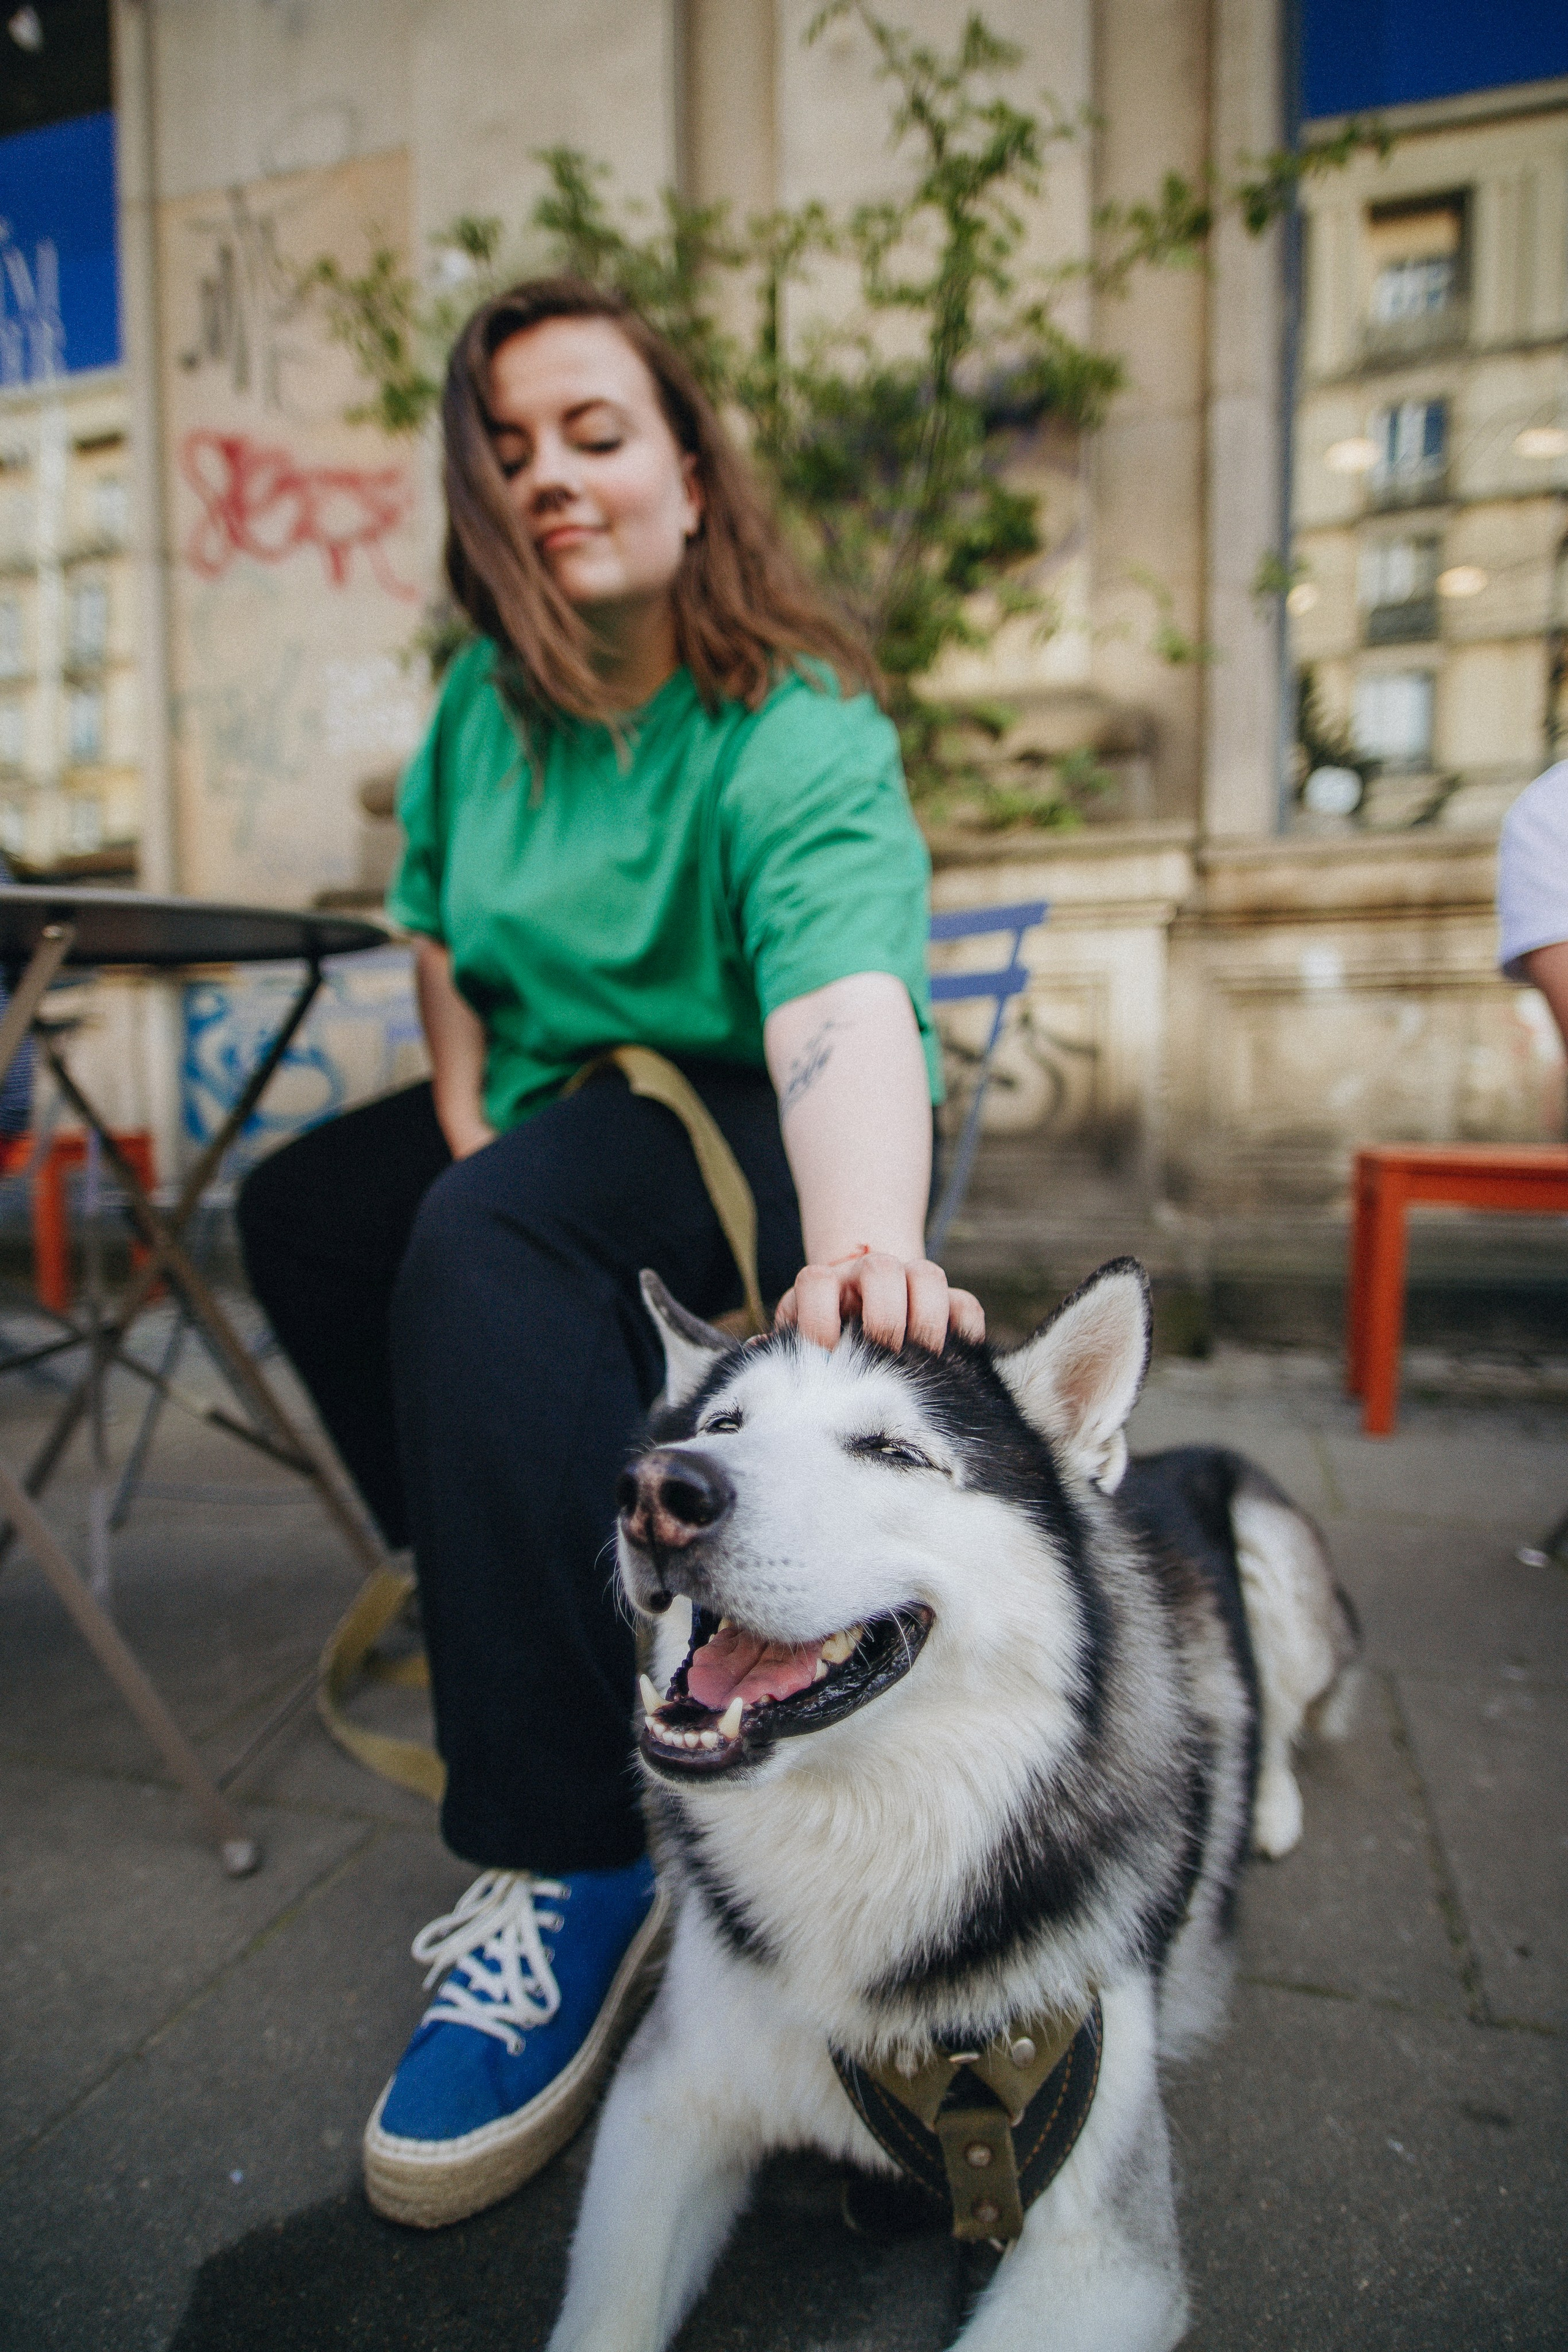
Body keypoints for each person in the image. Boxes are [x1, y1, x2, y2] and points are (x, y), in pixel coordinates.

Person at [236, 276, 982, 2229]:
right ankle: (544, 1584)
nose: (548, 476)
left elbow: (835, 994)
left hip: (736, 1104)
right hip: (560, 1104)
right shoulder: (486, 709)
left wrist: (868, 1246)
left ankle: (582, 1852)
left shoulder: (787, 714)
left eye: (591, 431)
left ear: (685, 462)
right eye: (508, 450)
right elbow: (434, 927)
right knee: (313, 1210)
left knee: (483, 1237)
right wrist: (467, 1100)